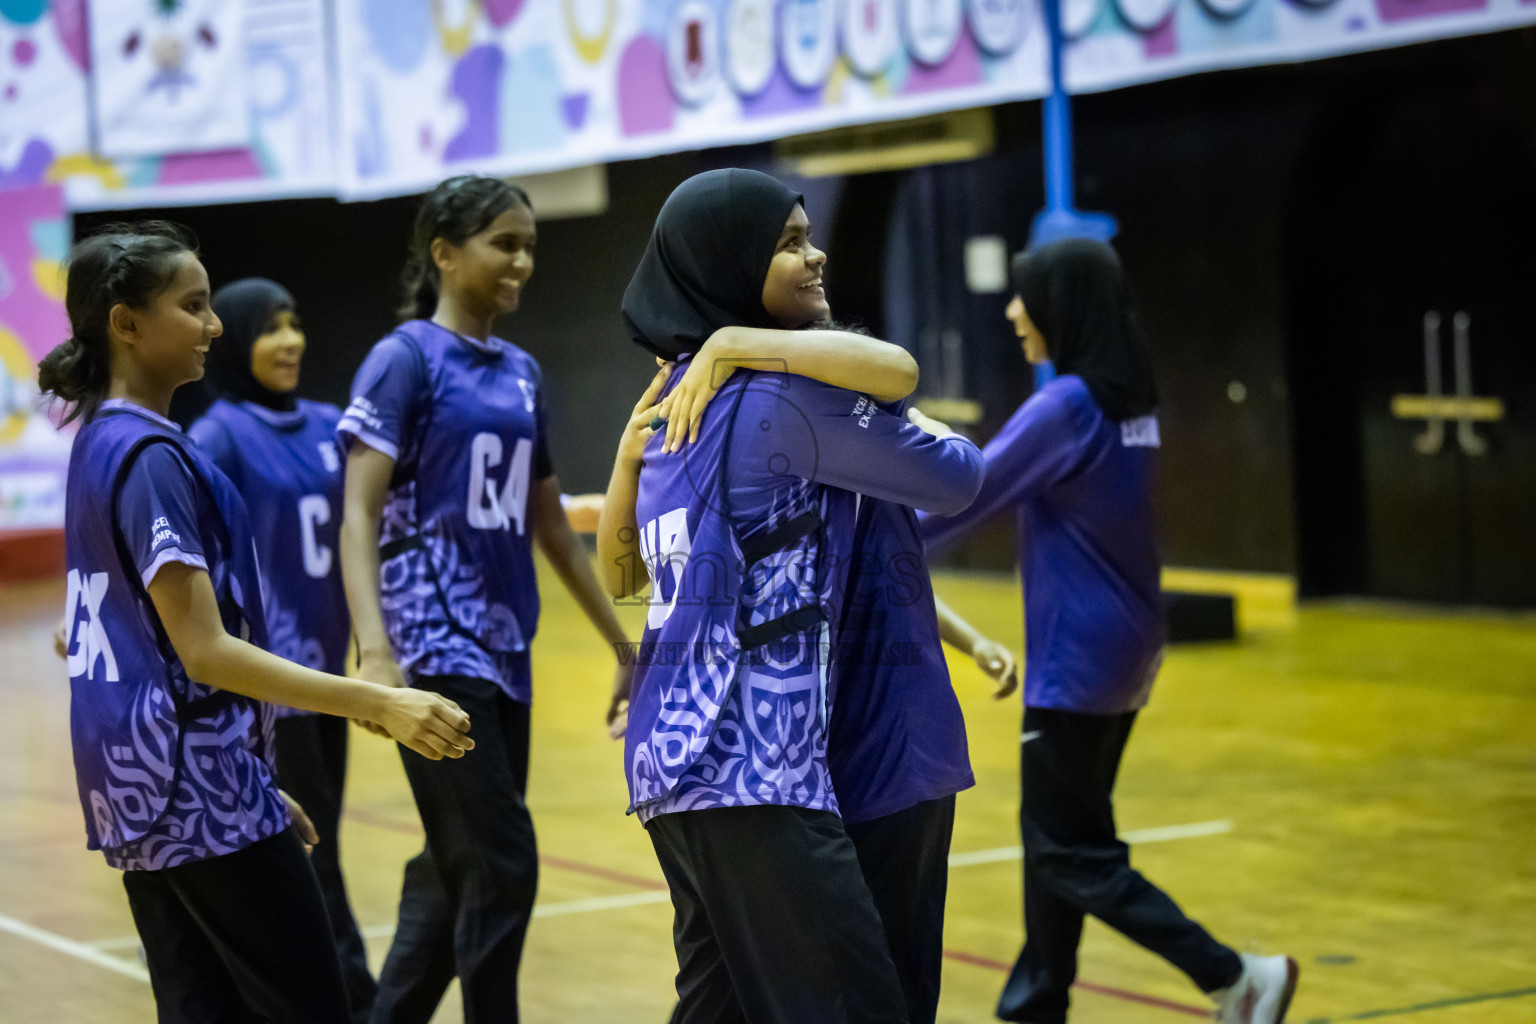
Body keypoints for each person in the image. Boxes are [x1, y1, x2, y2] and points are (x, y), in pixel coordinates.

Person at [41, 222, 472, 1024]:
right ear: (125, 324)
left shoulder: (99, 441)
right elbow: (202, 652)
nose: (213, 326)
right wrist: (378, 701)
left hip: (144, 787)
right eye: (194, 306)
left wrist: (257, 783)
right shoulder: (153, 458)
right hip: (192, 785)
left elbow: (139, 638)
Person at [597, 167, 986, 1023]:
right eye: (788, 244)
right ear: (729, 267)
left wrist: (625, 464)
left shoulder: (666, 402)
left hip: (669, 771)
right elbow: (950, 460)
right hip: (754, 774)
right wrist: (750, 345)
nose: (814, 257)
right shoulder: (775, 397)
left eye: (809, 237)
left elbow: (624, 579)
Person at [917, 237, 1298, 1024]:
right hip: (1128, 649)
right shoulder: (1129, 404)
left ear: (1061, 305)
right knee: (1065, 839)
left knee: (1066, 849)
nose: (1014, 310)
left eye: (1025, 295)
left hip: (1079, 659)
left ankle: (1236, 977)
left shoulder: (1066, 407)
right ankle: (1034, 1006)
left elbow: (966, 495)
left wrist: (866, 536)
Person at [654, 297, 1019, 1024]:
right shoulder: (801, 470)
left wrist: (973, 641)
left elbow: (899, 581)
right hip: (814, 760)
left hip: (898, 757)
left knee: (888, 992)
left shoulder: (877, 458)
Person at [336, 175, 634, 1024]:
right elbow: (356, 512)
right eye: (505, 242)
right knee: (502, 862)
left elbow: (548, 525)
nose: (523, 261)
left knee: (454, 867)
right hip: (432, 650)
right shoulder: (405, 359)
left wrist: (622, 646)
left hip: (506, 651)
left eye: (529, 246)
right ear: (444, 252)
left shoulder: (523, 373)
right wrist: (376, 650)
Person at [188, 277, 377, 1022]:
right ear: (236, 342)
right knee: (310, 850)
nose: (290, 340)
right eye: (269, 328)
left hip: (331, 670)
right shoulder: (218, 435)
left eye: (295, 323)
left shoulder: (332, 423)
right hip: (272, 679)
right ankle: (352, 1001)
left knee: (314, 839)